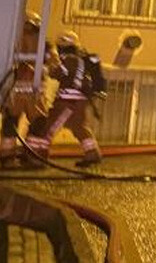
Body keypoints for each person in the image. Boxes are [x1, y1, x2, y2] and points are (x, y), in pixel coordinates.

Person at [25, 31, 105, 168]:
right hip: (80, 100)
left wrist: (50, 65)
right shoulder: (81, 60)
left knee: (50, 126)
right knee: (79, 127)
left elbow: (57, 73)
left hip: (67, 100)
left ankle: (38, 156)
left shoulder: (67, 59)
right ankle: (92, 154)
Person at [1, 13, 58, 169]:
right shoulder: (43, 42)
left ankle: (8, 158)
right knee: (38, 122)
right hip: (34, 90)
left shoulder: (12, 38)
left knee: (11, 121)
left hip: (16, 89)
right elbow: (55, 63)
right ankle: (33, 156)